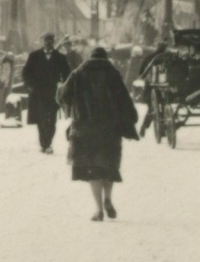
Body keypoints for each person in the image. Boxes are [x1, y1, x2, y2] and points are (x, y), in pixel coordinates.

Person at [60, 45, 141, 220]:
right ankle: (108, 199)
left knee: (92, 169)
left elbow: (63, 96)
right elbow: (124, 99)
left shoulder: (78, 73)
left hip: (85, 129)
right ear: (105, 58)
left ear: (90, 57)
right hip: (110, 129)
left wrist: (73, 106)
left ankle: (98, 210)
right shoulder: (113, 73)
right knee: (108, 165)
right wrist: (131, 117)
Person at [20, 34, 73, 153]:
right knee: (41, 119)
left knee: (51, 119)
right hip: (37, 93)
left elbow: (67, 74)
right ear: (43, 42)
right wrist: (29, 86)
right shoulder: (34, 56)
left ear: (53, 42)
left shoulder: (60, 57)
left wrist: (63, 86)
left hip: (53, 94)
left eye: (50, 40)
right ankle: (44, 143)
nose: (48, 43)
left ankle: (47, 143)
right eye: (46, 40)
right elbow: (26, 73)